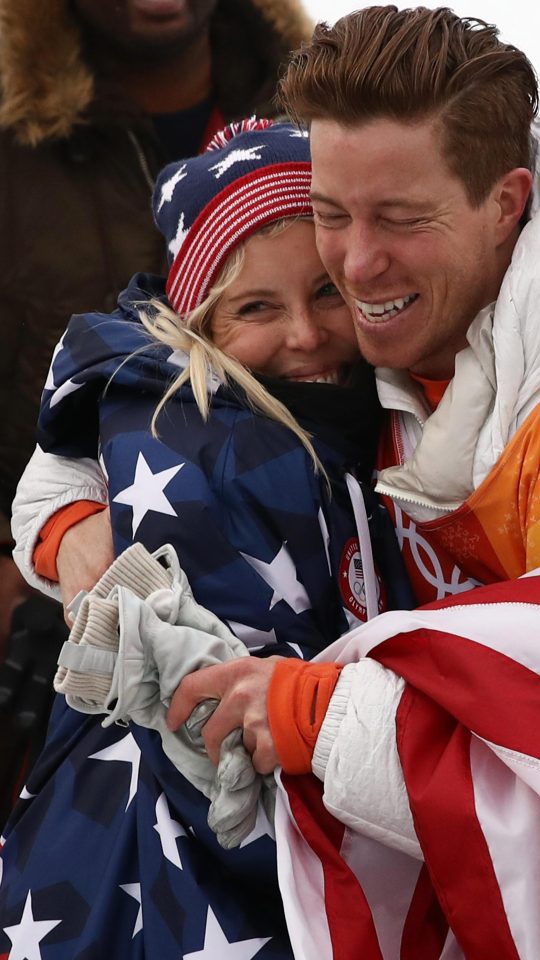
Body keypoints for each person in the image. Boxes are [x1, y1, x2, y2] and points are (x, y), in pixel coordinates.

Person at [11, 5, 540, 953]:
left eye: (400, 219)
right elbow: (127, 389)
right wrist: (70, 519)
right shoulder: (388, 356)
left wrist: (318, 715)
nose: (356, 262)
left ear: (505, 204)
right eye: (333, 215)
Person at [0, 119, 412, 960]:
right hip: (167, 875)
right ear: (200, 328)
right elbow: (221, 725)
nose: (304, 335)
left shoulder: (367, 426)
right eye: (257, 306)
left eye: (326, 291)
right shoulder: (207, 441)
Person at [0, 0, 312, 821]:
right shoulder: (12, 142)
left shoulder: (326, 110)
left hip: (301, 641)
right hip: (40, 636)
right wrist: (30, 556)